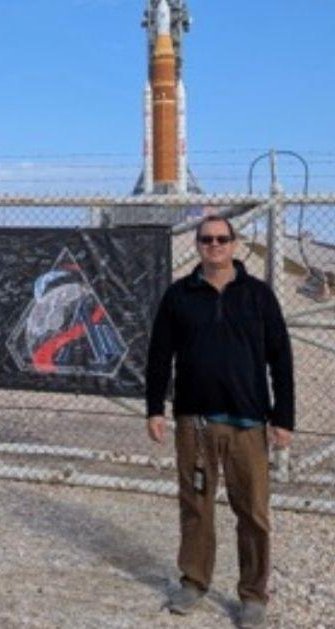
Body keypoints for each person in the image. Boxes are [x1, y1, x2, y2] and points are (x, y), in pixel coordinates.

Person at [145, 215, 294, 629]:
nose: (214, 245)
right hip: (196, 424)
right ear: (197, 245)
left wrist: (283, 417)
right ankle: (194, 581)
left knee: (253, 513)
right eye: (207, 239)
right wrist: (155, 408)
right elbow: (160, 356)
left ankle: (253, 594)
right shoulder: (179, 296)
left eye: (221, 239)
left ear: (234, 244)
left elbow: (280, 358)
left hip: (248, 423)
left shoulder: (258, 296)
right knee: (196, 506)